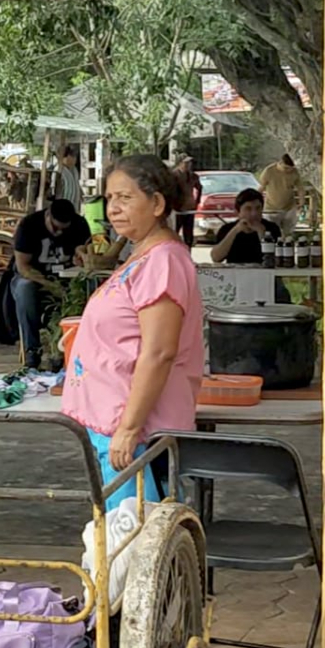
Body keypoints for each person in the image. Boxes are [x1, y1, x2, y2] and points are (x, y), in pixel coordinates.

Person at [62, 155, 204, 508]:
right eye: (109, 198)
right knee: (123, 531)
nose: (113, 208)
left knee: (137, 537)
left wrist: (128, 429)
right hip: (116, 424)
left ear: (157, 203)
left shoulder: (164, 261)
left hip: (137, 430)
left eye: (125, 198)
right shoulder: (143, 255)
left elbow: (159, 351)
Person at [10, 197, 91, 368]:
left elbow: (83, 249)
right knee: (25, 289)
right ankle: (32, 350)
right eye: (55, 228)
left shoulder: (79, 224)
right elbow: (23, 267)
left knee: (87, 289)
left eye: (64, 229)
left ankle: (64, 349)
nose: (59, 233)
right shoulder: (29, 225)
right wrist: (50, 285)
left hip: (67, 277)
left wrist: (82, 256)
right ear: (47, 216)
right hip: (33, 277)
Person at [210, 187, 281, 264]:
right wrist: (235, 231)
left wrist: (262, 234)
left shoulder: (272, 228)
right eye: (248, 209)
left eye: (258, 208)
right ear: (238, 211)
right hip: (235, 274)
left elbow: (278, 260)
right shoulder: (227, 229)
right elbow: (216, 258)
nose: (254, 213)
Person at [259, 153, 303, 234]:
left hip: (289, 208)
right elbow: (261, 187)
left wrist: (301, 202)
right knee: (272, 233)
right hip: (271, 209)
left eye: (291, 168)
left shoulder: (294, 172)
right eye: (286, 168)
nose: (288, 171)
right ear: (281, 163)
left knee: (288, 233)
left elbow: (300, 188)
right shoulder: (269, 171)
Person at [172, 157, 203, 249]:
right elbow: (170, 190)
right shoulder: (174, 175)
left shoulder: (193, 176)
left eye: (189, 163)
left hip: (189, 208)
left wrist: (197, 201)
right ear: (180, 163)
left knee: (188, 234)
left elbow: (199, 187)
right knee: (175, 232)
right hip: (178, 209)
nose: (189, 165)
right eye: (186, 163)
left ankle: (188, 254)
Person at [54, 145, 83, 210]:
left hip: (74, 206)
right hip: (63, 206)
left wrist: (81, 194)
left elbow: (76, 184)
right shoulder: (58, 170)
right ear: (66, 158)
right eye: (73, 156)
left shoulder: (74, 170)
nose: (75, 159)